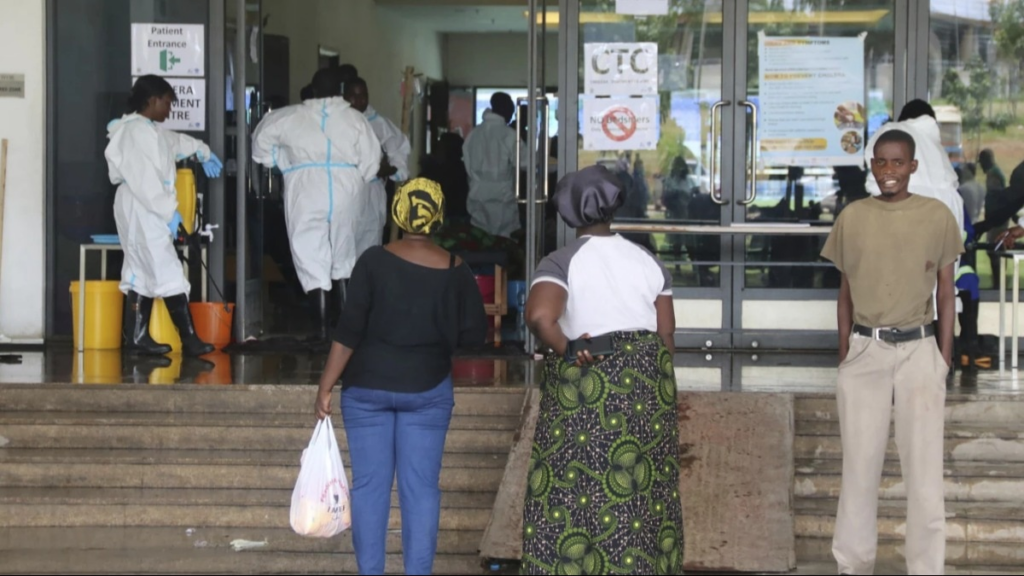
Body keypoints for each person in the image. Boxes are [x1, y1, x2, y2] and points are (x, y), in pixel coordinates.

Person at [314, 178, 487, 575]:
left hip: (365, 390)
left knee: (370, 489)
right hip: (428, 390)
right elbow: (473, 334)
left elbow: (348, 332)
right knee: (421, 490)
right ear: (438, 216)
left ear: (396, 213)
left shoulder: (372, 261)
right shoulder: (455, 268)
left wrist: (325, 387)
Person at [522, 164, 683, 575]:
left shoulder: (562, 262)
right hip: (648, 388)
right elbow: (666, 334)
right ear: (614, 206)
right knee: (643, 493)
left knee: (572, 488)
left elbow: (541, 316)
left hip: (589, 384)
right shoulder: (647, 261)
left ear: (566, 212)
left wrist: (568, 348)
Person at [821, 129, 961, 575]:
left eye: (898, 162)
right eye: (880, 162)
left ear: (914, 167)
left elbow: (945, 289)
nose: (889, 171)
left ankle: (926, 568)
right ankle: (853, 564)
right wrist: (846, 351)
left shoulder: (936, 216)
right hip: (866, 351)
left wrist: (942, 355)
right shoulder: (853, 216)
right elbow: (844, 291)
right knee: (860, 468)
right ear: (872, 167)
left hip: (920, 350)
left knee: (924, 473)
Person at [251, 68, 382, 341]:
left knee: (310, 252)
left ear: (312, 89)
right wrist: (359, 177)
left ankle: (321, 330)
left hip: (306, 187)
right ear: (340, 90)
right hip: (346, 186)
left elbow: (260, 140)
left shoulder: (290, 116)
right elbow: (372, 160)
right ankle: (348, 333)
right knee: (345, 254)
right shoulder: (355, 119)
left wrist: (281, 162)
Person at [105, 75, 223, 357]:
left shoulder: (149, 130)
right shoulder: (134, 133)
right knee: (166, 268)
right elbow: (146, 182)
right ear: (152, 100)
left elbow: (175, 142)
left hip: (147, 206)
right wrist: (171, 216)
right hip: (142, 206)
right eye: (168, 102)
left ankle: (137, 337)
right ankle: (189, 339)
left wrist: (203, 152)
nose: (170, 109)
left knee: (140, 271)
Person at [344, 77, 412, 249]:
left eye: (363, 96)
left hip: (371, 196)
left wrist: (386, 169)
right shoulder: (336, 122)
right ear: (344, 96)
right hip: (344, 194)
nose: (359, 101)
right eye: (353, 96)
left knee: (369, 246)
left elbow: (400, 161)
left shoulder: (380, 125)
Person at [463, 92, 520, 238]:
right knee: (503, 246)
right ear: (507, 110)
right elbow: (525, 162)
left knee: (480, 243)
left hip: (477, 196)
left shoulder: (474, 134)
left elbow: (467, 165)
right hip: (502, 199)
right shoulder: (509, 135)